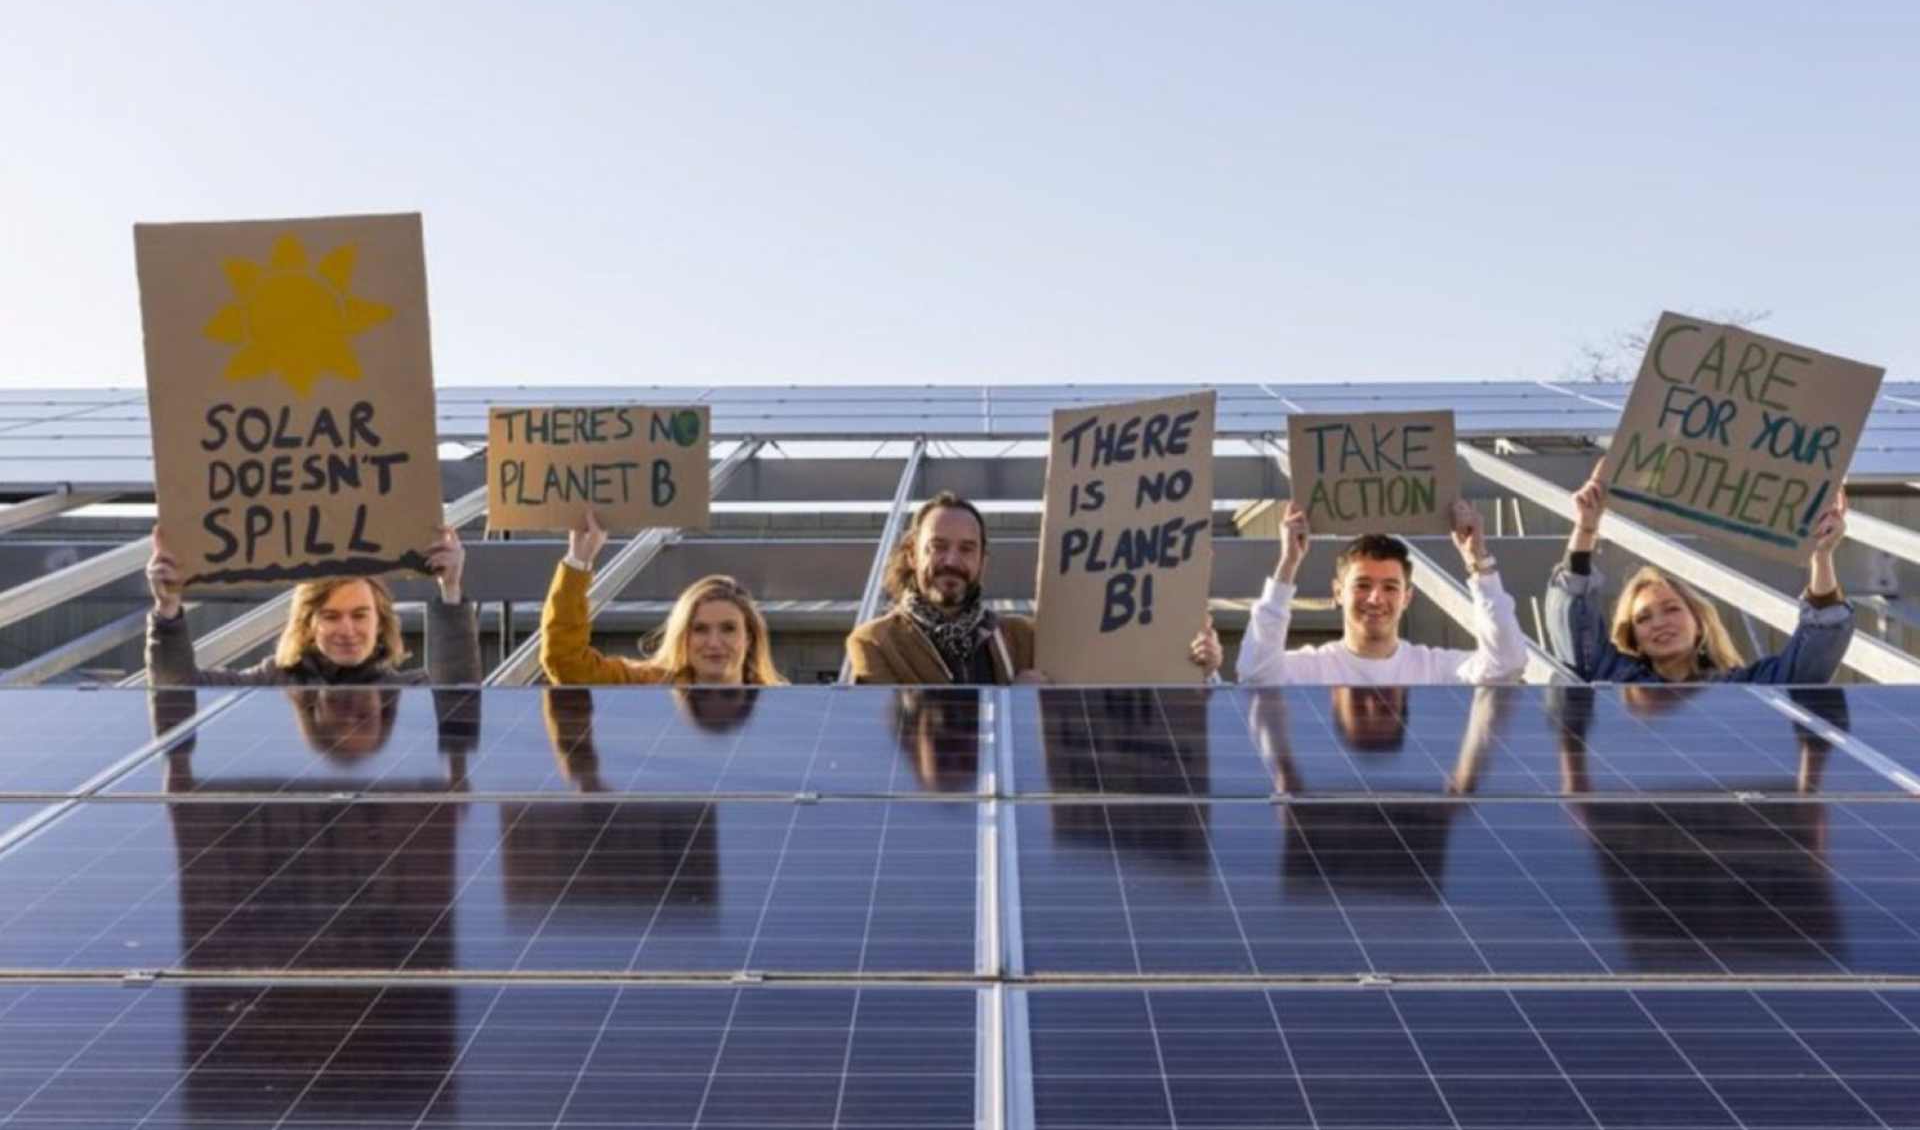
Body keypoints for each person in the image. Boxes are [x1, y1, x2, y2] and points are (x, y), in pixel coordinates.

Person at [845, 491, 1222, 685]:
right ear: (912, 555)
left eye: (966, 549)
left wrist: (1191, 659)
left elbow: (1109, 672)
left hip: (1012, 819)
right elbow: (903, 735)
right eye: (938, 547)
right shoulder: (873, 642)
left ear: (982, 561)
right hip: (921, 817)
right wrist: (1012, 708)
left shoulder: (1021, 638)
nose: (951, 561)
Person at [1545, 463, 1853, 683]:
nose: (1659, 623)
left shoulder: (1747, 693)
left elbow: (1814, 653)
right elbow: (1573, 618)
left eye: (1671, 609)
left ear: (1700, 623)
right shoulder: (1611, 678)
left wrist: (1821, 555)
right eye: (1643, 618)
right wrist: (1586, 526)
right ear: (1633, 638)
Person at [1235, 500, 1527, 685]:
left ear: (1407, 597)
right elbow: (1254, 673)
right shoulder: (1312, 668)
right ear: (1338, 592)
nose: (1375, 598)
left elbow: (1507, 665)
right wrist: (1288, 563)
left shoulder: (1433, 669)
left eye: (1390, 587)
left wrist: (1478, 561)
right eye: (1362, 585)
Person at [145, 526, 480, 686]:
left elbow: (457, 692)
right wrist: (168, 609)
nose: (347, 629)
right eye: (331, 616)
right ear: (307, 623)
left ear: (381, 622)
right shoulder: (273, 683)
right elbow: (177, 690)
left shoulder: (408, 692)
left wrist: (450, 589)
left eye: (360, 615)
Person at [540, 509, 787, 686]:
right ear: (682, 636)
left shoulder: (784, 707)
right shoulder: (649, 687)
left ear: (750, 638)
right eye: (699, 629)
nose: (714, 643)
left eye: (728, 629)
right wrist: (579, 560)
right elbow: (566, 662)